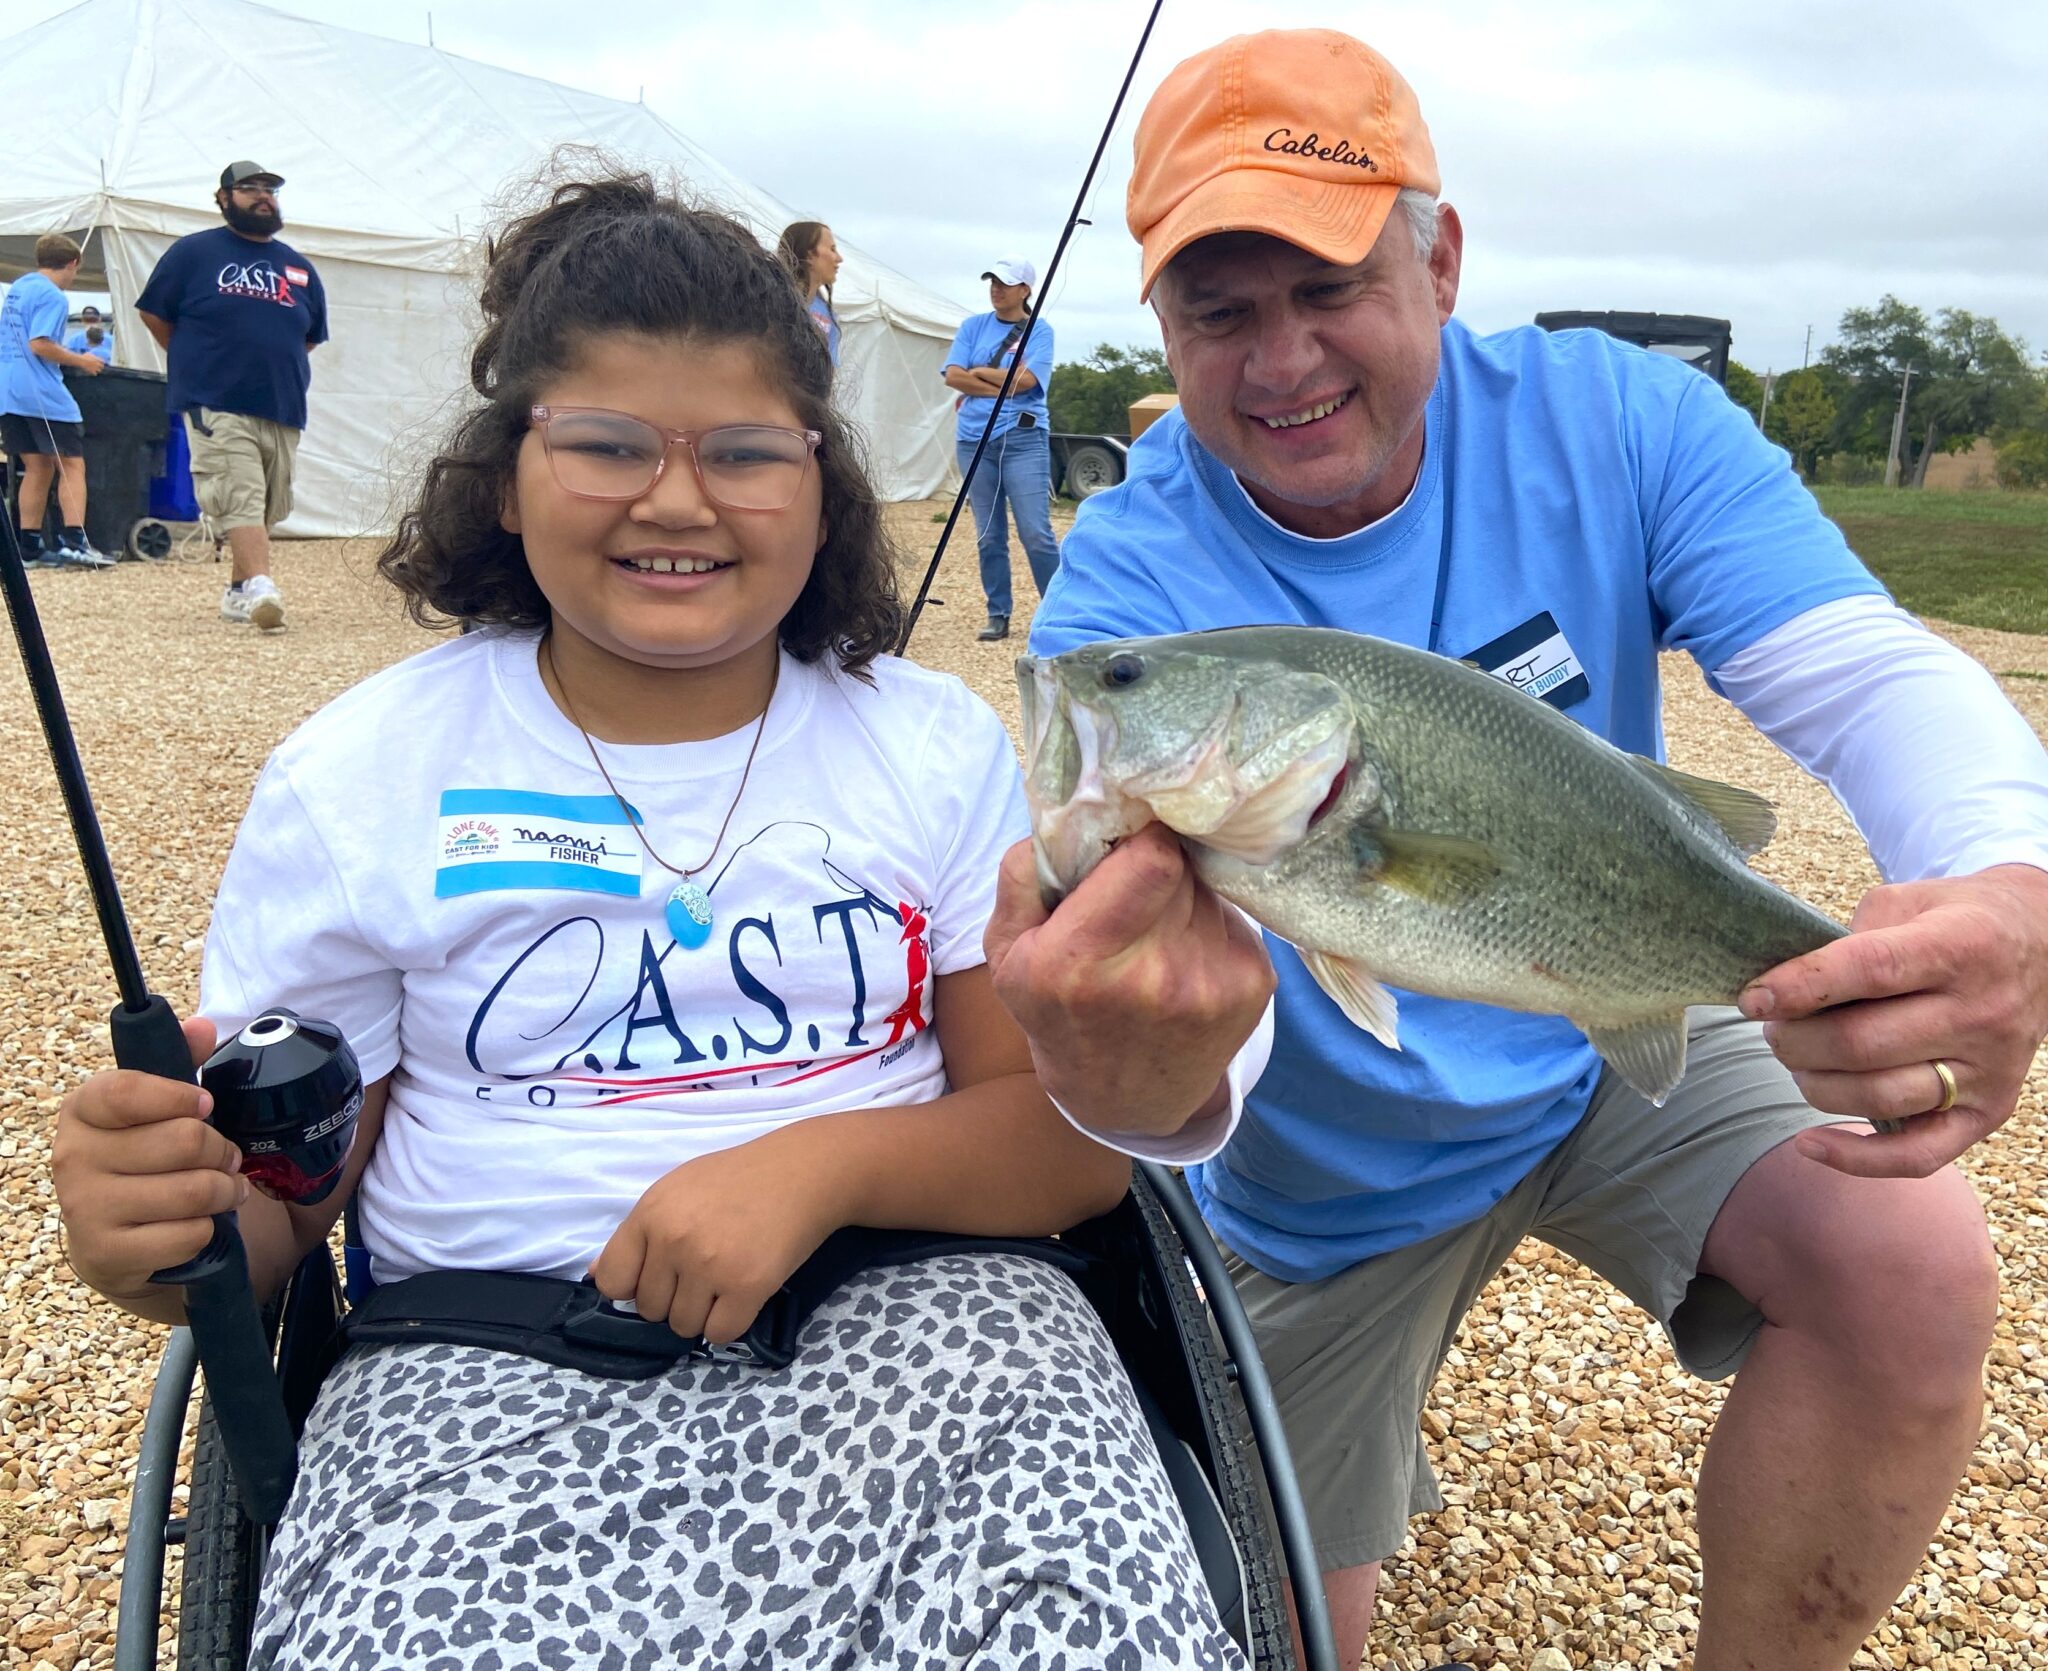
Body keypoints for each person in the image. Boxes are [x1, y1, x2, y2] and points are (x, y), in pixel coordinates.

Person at [52, 172, 1247, 1671]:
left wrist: (813, 1166)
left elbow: (1063, 1138)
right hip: (478, 1377)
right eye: (606, 444)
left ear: (821, 483)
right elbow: (284, 1203)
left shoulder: (932, 746)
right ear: (505, 473)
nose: (676, 501)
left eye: (746, 452)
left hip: (945, 1335)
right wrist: (162, 1228)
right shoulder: (359, 774)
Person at [987, 27, 2048, 1671]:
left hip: (1611, 998)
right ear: (1162, 327)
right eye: (1219, 309)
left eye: (1325, 286)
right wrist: (1135, 1076)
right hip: (1321, 1182)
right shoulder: (1129, 596)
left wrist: (2000, 886)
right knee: (1267, 1639)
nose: (1279, 359)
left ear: (1440, 256)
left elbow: (1862, 670)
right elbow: (1144, 1050)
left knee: (1910, 1261)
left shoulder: (1612, 418)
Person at [136, 160, 328, 630]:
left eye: (269, 189)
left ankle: (239, 590)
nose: (263, 196)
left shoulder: (297, 267)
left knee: (268, 505)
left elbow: (308, 336)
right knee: (239, 494)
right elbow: (155, 315)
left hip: (282, 407)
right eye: (249, 188)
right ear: (223, 199)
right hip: (215, 400)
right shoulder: (194, 254)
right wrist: (195, 362)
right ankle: (262, 586)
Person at [942, 257, 1060, 642]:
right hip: (974, 439)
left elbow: (1027, 381)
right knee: (988, 534)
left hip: (1023, 439)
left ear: (1025, 290)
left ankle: (1061, 610)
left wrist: (980, 373)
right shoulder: (972, 326)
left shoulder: (1040, 331)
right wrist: (1003, 384)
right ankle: (998, 613)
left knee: (1036, 532)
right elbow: (954, 375)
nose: (996, 288)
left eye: (1005, 283)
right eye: (992, 281)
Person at [0, 234, 114, 570]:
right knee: (72, 464)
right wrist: (83, 361)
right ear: (73, 263)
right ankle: (75, 542)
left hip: (7, 390)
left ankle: (29, 548)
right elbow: (40, 343)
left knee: (37, 467)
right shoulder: (53, 295)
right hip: (40, 392)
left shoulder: (19, 287)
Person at [777, 219, 843, 367]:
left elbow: (829, 371)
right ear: (809, 255)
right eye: (832, 249)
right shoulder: (773, 301)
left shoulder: (828, 315)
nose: (839, 259)